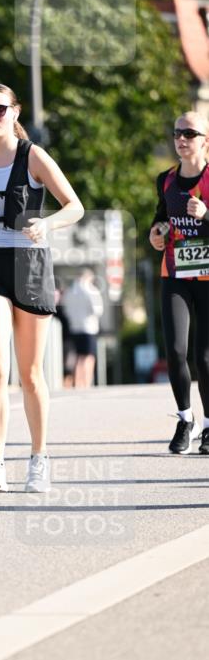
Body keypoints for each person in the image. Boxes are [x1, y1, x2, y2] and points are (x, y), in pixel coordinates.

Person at [0, 83, 84, 492]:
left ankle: (38, 459)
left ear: (15, 112)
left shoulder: (33, 156)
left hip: (30, 264)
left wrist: (46, 224)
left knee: (29, 373)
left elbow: (74, 206)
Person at [149, 110, 209, 455]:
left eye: (189, 133)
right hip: (174, 274)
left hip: (208, 277)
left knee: (205, 358)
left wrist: (206, 215)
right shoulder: (166, 179)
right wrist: (155, 233)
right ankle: (185, 418)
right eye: (177, 133)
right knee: (175, 350)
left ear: (205, 141)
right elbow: (161, 217)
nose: (181, 139)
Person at [60, 268, 104, 388]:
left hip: (74, 327)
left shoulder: (70, 291)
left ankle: (78, 381)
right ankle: (86, 381)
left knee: (78, 356)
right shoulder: (90, 290)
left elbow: (66, 310)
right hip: (88, 327)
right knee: (88, 357)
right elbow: (97, 310)